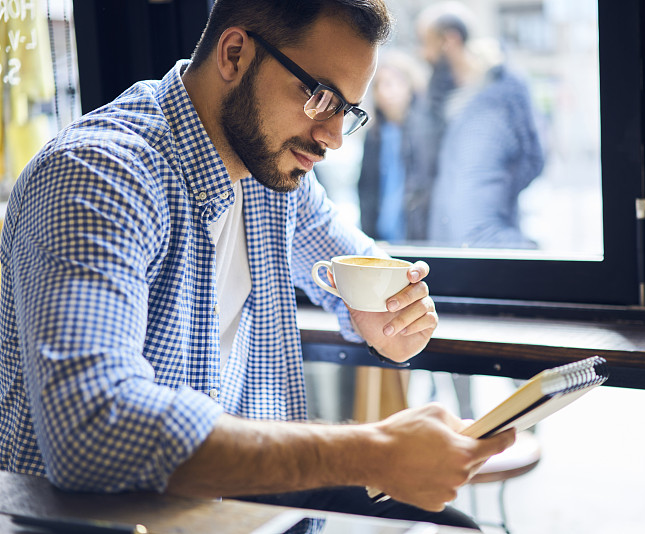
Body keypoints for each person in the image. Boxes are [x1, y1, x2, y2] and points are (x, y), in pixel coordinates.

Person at [0, 0, 515, 529]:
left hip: (245, 509)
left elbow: (357, 261)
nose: (333, 138)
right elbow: (93, 431)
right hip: (115, 519)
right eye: (320, 97)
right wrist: (370, 449)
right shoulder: (97, 175)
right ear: (234, 53)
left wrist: (392, 311)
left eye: (350, 112)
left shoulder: (273, 171)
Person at [415, 2, 545, 249]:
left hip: (478, 243)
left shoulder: (492, 100)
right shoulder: (438, 100)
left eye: (426, 42)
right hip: (443, 243)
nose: (424, 53)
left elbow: (531, 159)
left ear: (449, 40)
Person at [357, 51, 424, 243]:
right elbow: (366, 188)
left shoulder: (423, 131)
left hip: (415, 237)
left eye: (392, 83)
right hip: (380, 236)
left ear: (409, 86)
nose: (386, 92)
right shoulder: (374, 134)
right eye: (379, 85)